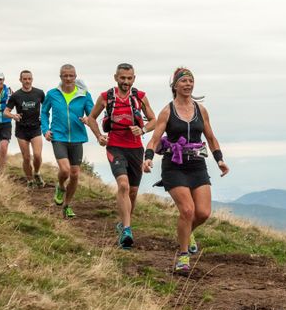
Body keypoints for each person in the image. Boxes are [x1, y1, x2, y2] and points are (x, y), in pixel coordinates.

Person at [143, 67, 229, 275]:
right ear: (175, 85)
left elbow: (210, 137)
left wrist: (220, 160)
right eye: (184, 81)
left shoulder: (201, 110)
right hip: (174, 165)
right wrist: (147, 159)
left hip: (197, 164)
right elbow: (155, 139)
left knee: (203, 213)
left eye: (191, 81)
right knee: (187, 211)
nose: (188, 84)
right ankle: (183, 257)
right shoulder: (167, 111)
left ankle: (187, 232)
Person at [85, 63, 156, 248]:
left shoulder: (140, 97)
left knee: (132, 191)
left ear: (134, 78)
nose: (126, 81)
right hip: (115, 146)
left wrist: (142, 129)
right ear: (116, 77)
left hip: (136, 148)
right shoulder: (106, 97)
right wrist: (99, 136)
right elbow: (91, 118)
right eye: (122, 78)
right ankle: (126, 229)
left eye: (129, 78)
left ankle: (124, 223)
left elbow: (155, 120)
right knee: (123, 185)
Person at [41, 64, 94, 219]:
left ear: (75, 76)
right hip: (58, 137)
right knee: (65, 170)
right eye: (65, 75)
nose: (69, 78)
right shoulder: (52, 94)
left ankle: (67, 205)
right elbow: (44, 113)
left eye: (71, 75)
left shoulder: (84, 95)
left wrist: (87, 119)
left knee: (75, 174)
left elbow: (92, 115)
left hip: (77, 138)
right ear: (61, 77)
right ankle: (60, 186)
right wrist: (45, 130)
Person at [4, 70, 46, 188]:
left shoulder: (39, 93)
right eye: (25, 79)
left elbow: (47, 107)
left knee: (37, 155)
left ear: (32, 79)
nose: (27, 81)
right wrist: (14, 116)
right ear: (20, 80)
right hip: (21, 130)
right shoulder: (16, 95)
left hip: (36, 128)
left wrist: (44, 117)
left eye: (29, 79)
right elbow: (6, 112)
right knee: (26, 158)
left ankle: (37, 173)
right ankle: (29, 180)